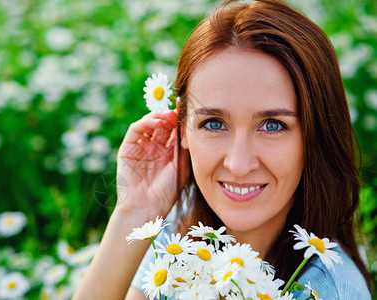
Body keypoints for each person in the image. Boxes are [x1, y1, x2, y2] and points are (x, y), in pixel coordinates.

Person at [73, 0, 372, 299]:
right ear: (182, 127)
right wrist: (135, 213)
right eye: (214, 124)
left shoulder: (326, 291)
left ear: (314, 136)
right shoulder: (176, 235)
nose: (239, 164)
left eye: (272, 125)